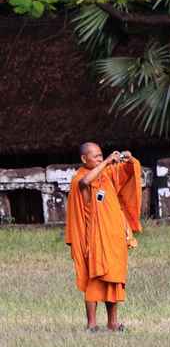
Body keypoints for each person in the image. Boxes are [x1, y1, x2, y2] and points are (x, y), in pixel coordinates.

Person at [65, 142, 142, 332]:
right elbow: (86, 183)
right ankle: (92, 324)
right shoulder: (80, 179)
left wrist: (129, 158)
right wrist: (107, 161)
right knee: (95, 278)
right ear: (84, 159)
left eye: (101, 155)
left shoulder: (106, 175)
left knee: (113, 278)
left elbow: (127, 172)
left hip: (114, 236)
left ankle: (112, 323)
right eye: (96, 156)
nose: (100, 158)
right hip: (95, 238)